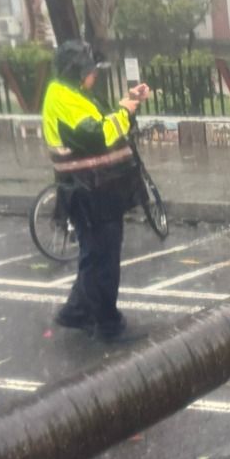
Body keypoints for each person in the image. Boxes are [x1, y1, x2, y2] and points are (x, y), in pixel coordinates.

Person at [42, 40, 151, 342]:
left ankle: (76, 311)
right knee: (103, 256)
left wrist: (127, 102)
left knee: (95, 253)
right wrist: (125, 113)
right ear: (76, 71)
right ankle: (107, 323)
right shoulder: (62, 98)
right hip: (88, 191)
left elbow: (101, 121)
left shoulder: (72, 94)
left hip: (95, 190)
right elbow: (98, 134)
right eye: (90, 70)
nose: (94, 76)